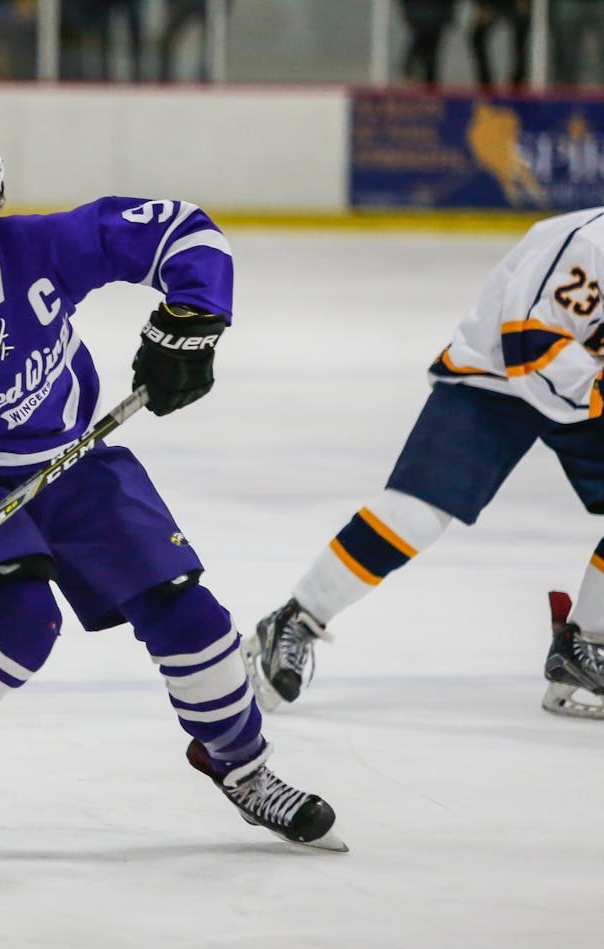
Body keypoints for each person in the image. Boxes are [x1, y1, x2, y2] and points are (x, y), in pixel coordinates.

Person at [0, 121, 345, 859]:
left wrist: (192, 320)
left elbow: (184, 232)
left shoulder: (41, 248)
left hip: (76, 461)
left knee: (188, 614)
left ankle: (244, 768)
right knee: (20, 620)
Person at [249, 208, 604, 721]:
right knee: (418, 512)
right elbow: (530, 344)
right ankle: (295, 620)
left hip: (584, 388)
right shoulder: (589, 245)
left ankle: (587, 647)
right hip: (499, 377)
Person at [468, 0, 529, 91]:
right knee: (477, 37)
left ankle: (517, 85)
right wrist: (483, 5)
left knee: (521, 36)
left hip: (515, 4)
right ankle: (486, 85)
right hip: (492, 4)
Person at [398, 0, 458, 87]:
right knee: (429, 48)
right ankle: (427, 79)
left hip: (435, 12)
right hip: (423, 12)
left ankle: (428, 80)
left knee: (431, 50)